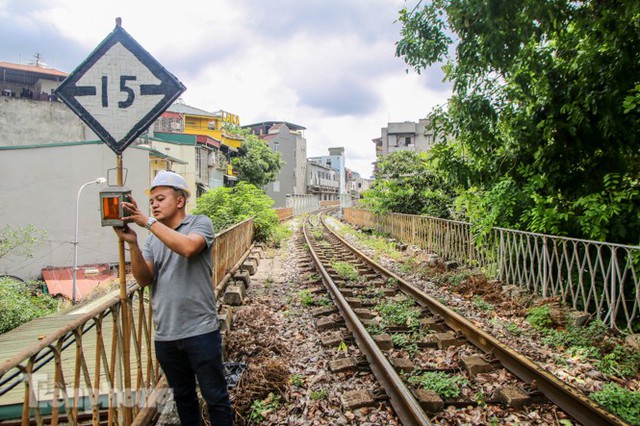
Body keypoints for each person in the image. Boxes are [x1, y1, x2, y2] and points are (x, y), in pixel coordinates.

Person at [114, 170, 233, 425]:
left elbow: (189, 248)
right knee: (184, 399)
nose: (154, 204)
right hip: (166, 335)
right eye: (152, 201)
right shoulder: (151, 239)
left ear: (180, 201)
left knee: (216, 398)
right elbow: (145, 279)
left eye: (160, 198)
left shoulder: (200, 223)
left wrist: (147, 222)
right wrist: (133, 244)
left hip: (200, 330)